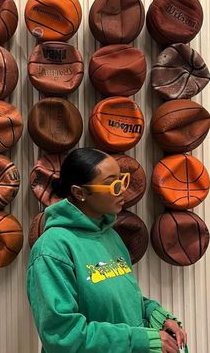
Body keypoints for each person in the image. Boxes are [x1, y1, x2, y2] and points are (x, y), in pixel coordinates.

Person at [27, 147, 188, 353]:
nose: (122, 190)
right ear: (80, 192)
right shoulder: (51, 250)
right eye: (112, 184)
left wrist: (154, 313)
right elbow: (63, 336)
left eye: (122, 180)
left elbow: (120, 300)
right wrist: (139, 340)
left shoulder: (110, 235)